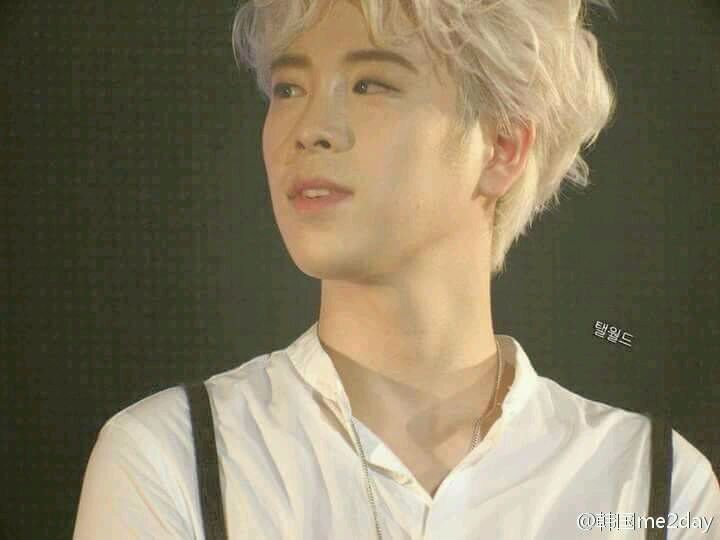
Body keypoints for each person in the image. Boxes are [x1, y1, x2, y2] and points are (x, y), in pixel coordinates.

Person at [73, 0, 719, 538]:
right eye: (289, 87)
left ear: (502, 146)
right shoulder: (175, 462)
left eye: (370, 84)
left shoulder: (654, 490)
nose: (310, 128)